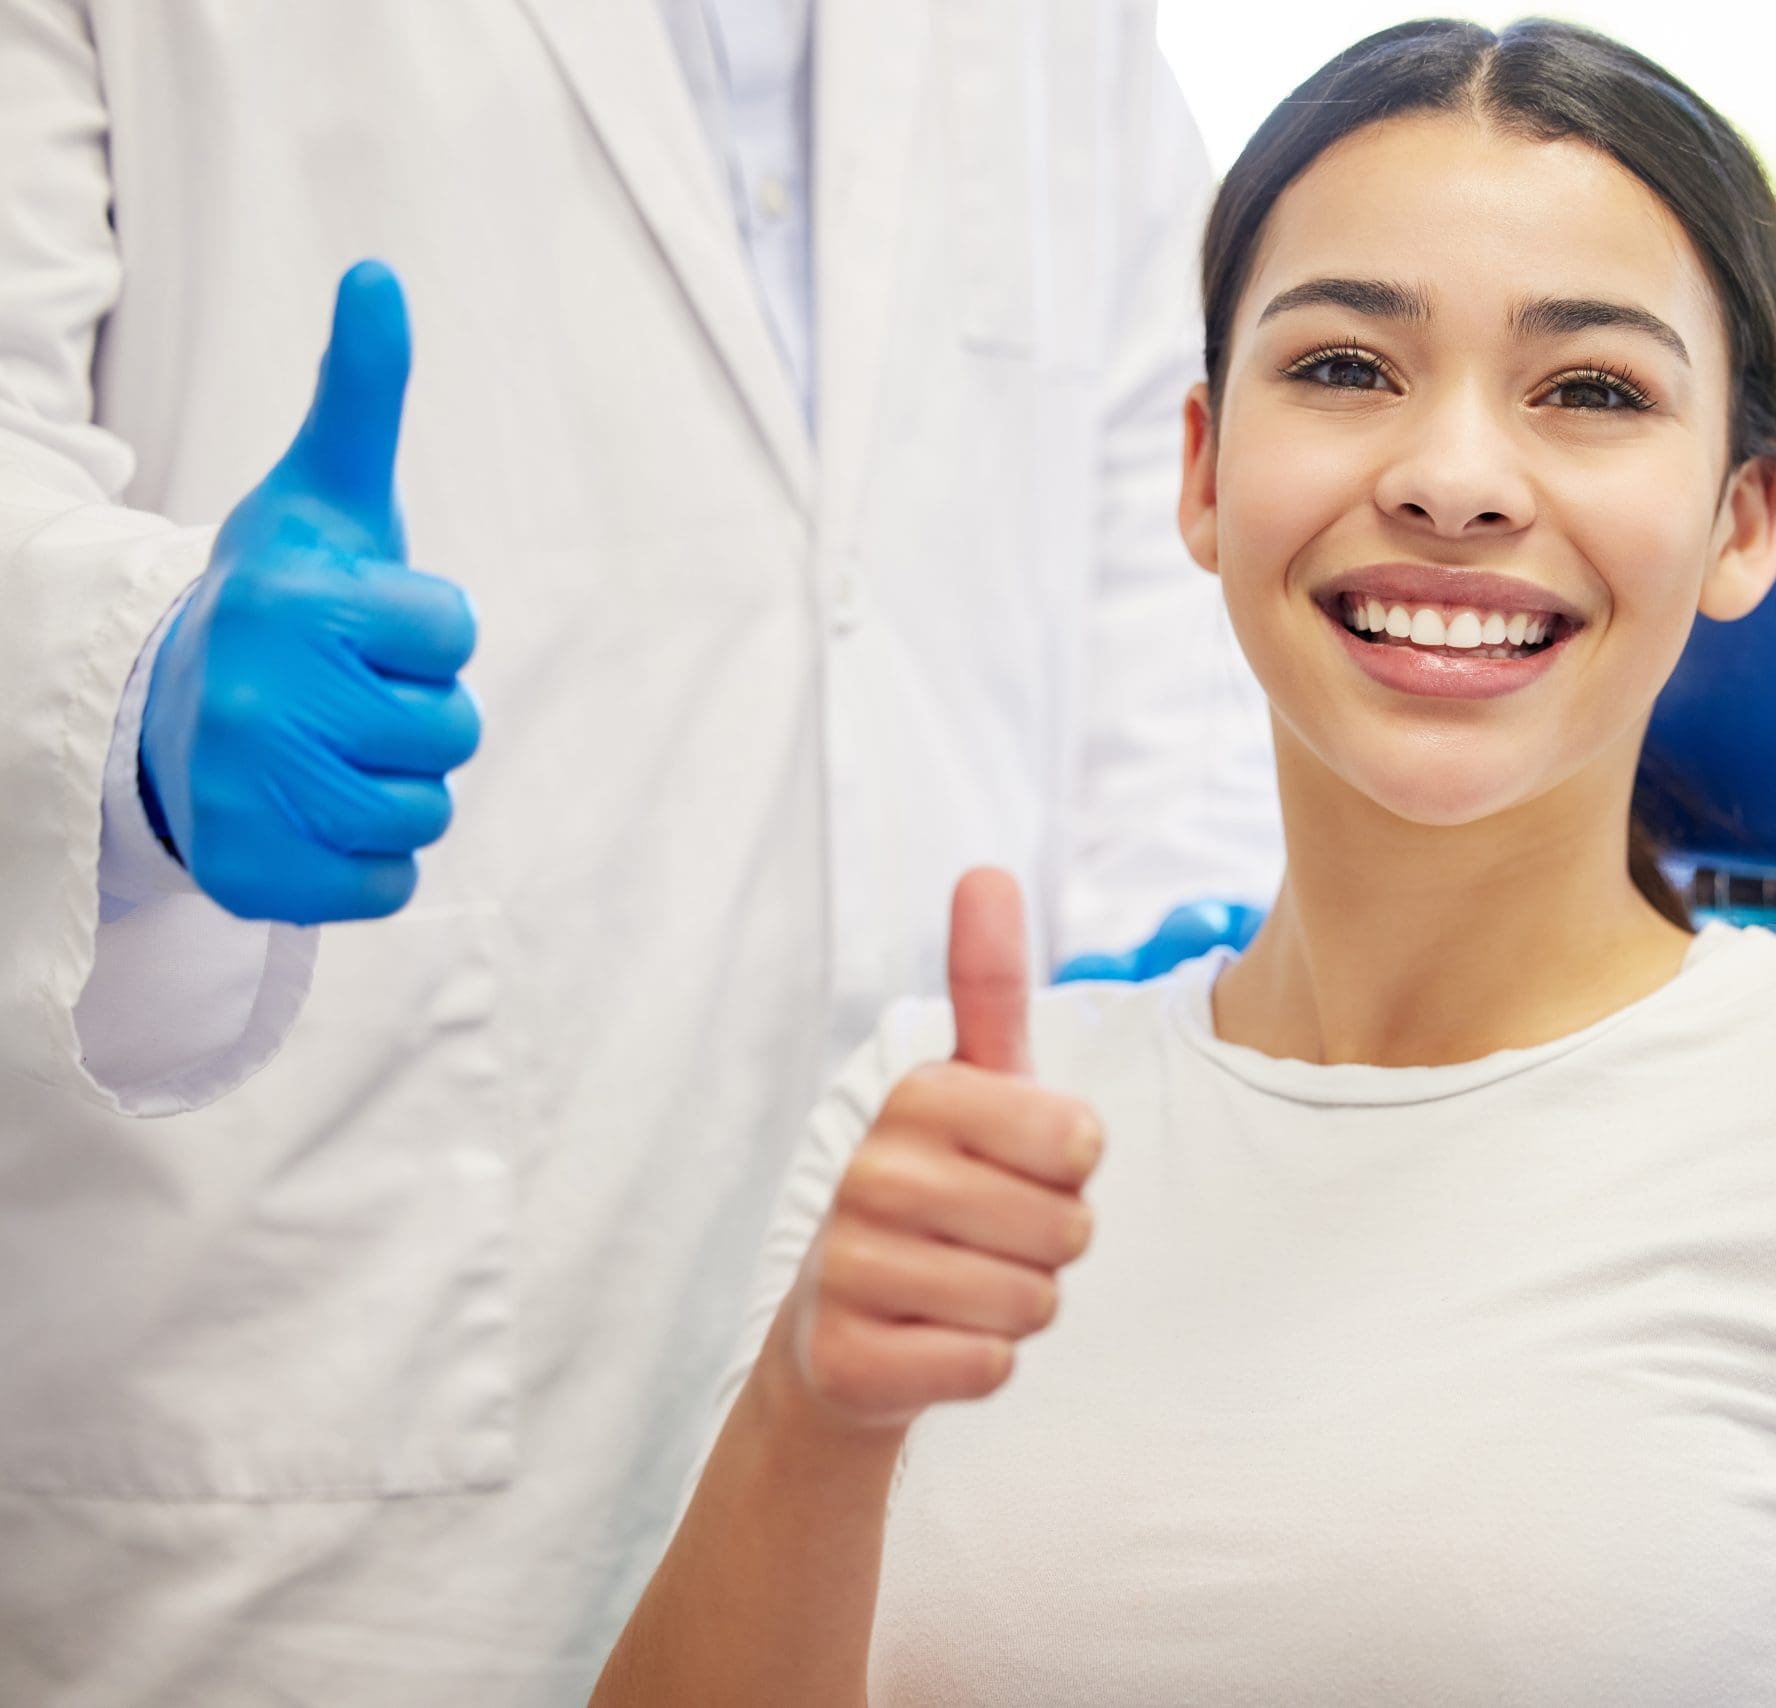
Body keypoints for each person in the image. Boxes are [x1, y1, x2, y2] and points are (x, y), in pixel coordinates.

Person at [597, 18, 1776, 1706]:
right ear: (1203, 471)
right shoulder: (944, 1121)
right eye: (1344, 368)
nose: (1453, 478)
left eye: (1592, 391)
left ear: (1743, 520)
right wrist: (816, 1418)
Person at [0, 3, 1278, 1704]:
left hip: (947, 1412)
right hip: (319, 1413)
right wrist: (126, 675)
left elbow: (1170, 491)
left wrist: (1173, 973)